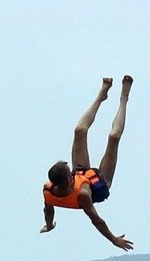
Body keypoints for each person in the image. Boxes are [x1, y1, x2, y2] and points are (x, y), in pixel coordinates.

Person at [41, 75, 134, 251]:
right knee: (113, 138)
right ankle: (124, 98)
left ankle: (101, 95)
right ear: (68, 179)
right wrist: (114, 239)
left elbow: (48, 210)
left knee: (79, 130)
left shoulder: (50, 186)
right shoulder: (83, 195)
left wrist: (49, 224)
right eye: (70, 171)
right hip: (100, 184)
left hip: (82, 175)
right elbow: (96, 220)